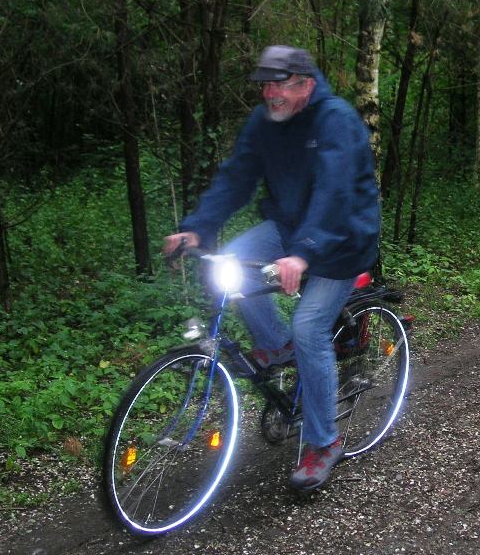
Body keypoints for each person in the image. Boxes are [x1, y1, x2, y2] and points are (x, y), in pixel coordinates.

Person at [162, 45, 381, 492]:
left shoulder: (336, 120)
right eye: (265, 85)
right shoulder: (265, 122)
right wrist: (197, 229)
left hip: (341, 240)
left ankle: (324, 442)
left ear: (306, 84)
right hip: (288, 229)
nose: (270, 93)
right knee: (225, 267)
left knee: (309, 327)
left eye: (279, 84)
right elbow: (236, 177)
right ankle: (274, 346)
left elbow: (334, 194)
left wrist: (302, 253)